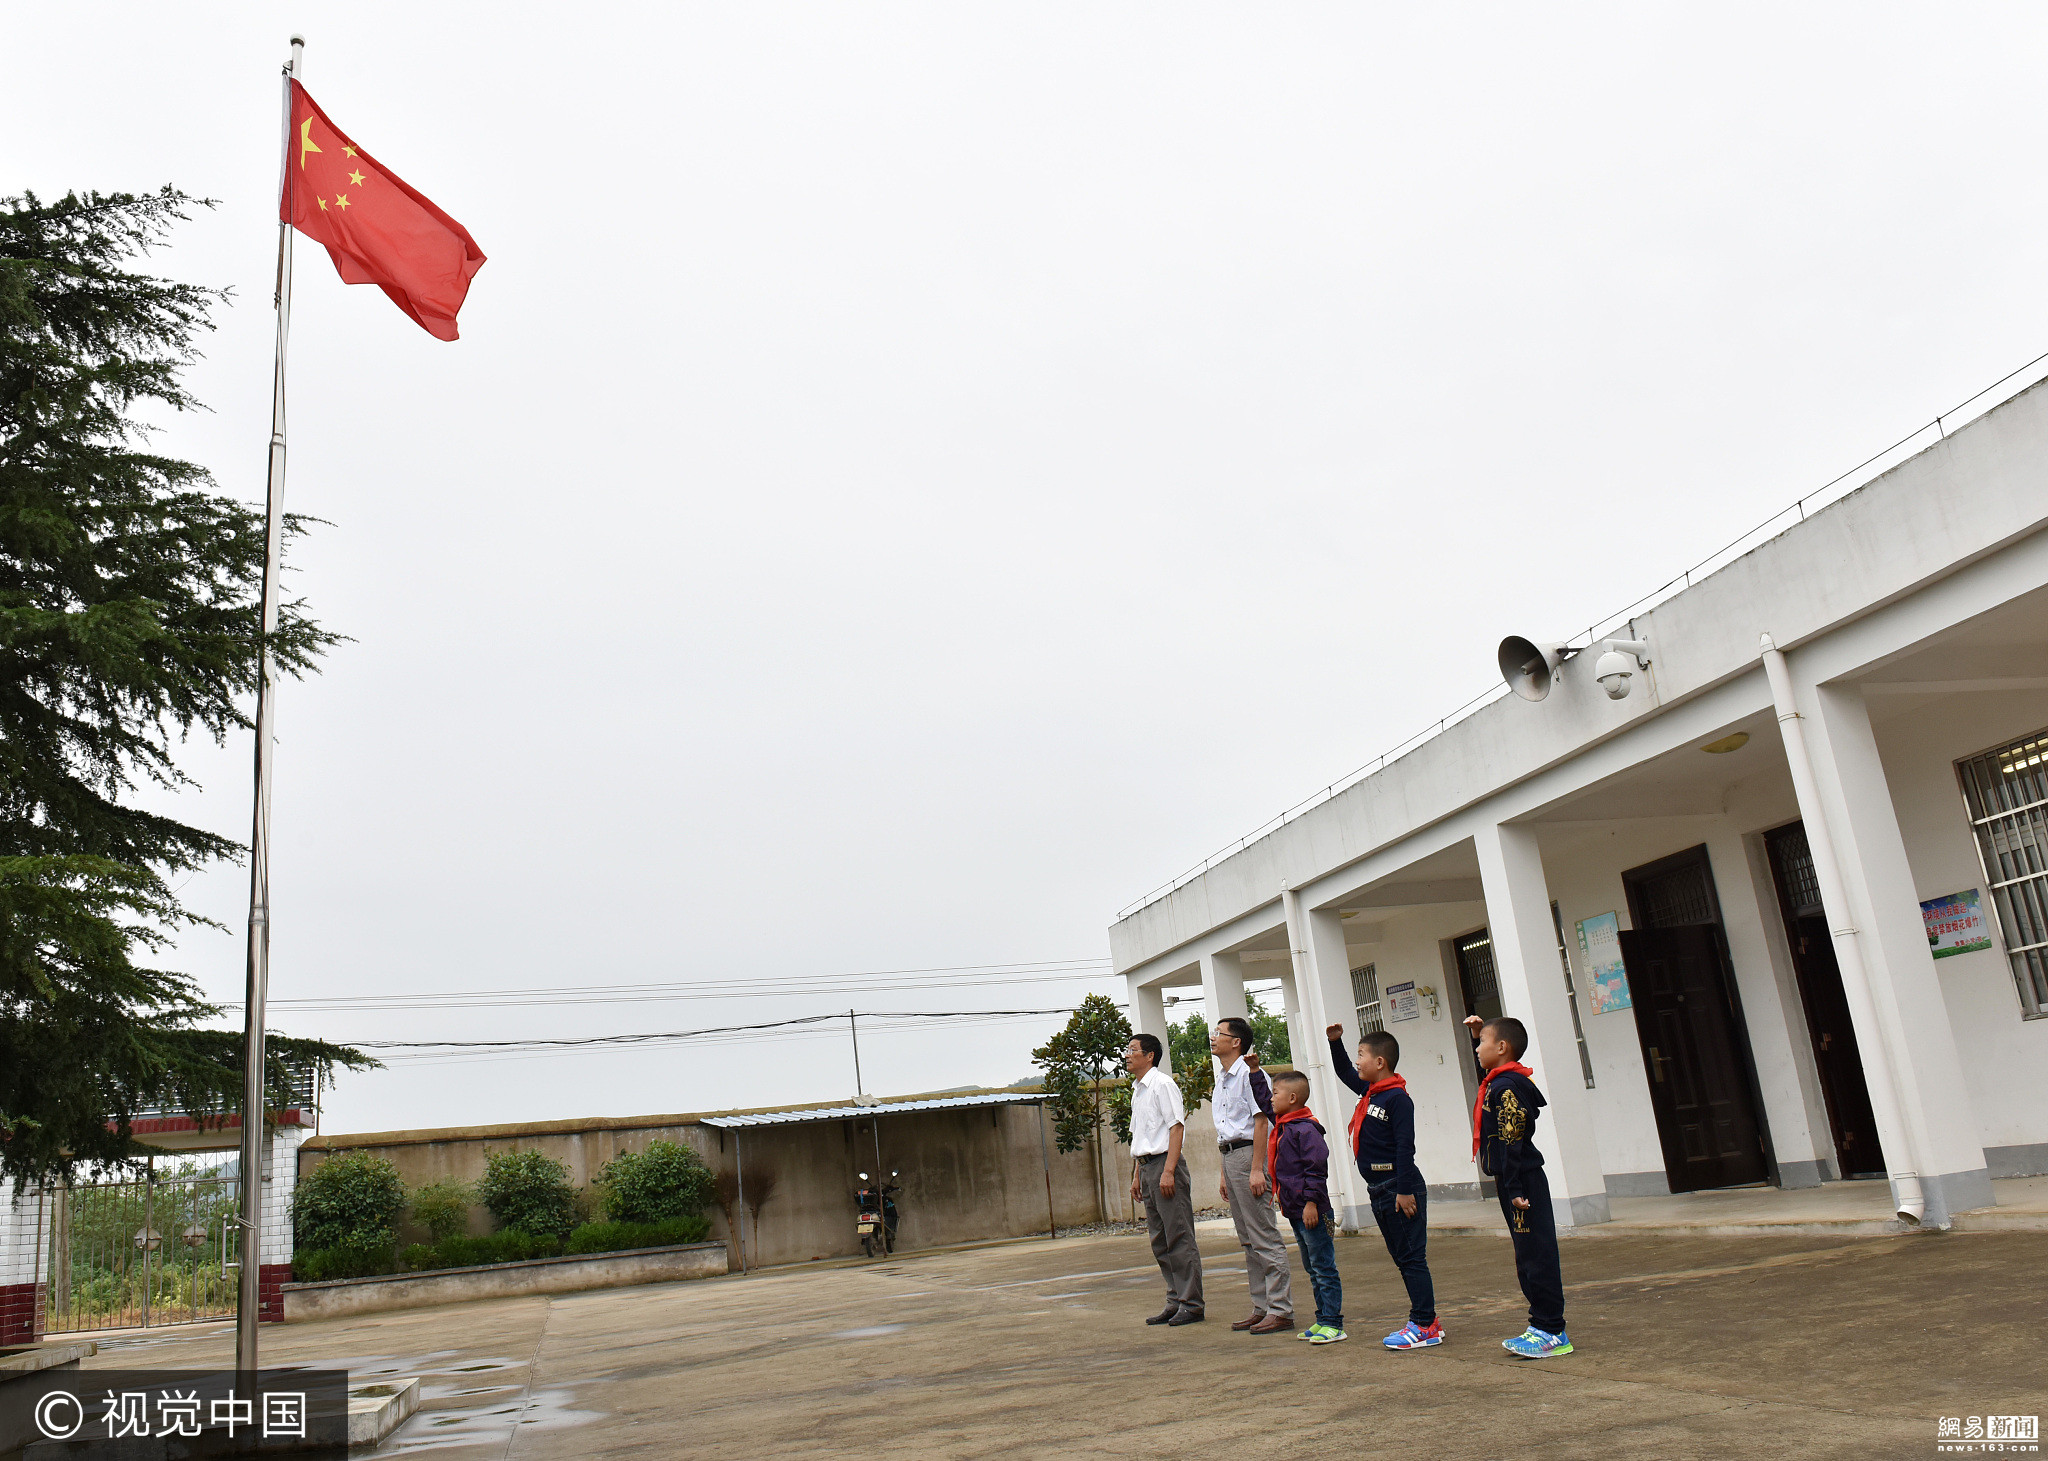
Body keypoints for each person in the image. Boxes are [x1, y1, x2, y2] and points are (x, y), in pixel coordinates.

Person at [1463, 1012, 1572, 1359]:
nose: (1478, 1049)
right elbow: (1492, 1074)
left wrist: (1512, 1189)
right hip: (1513, 1180)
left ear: (1503, 1047)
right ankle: (1539, 1324)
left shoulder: (1507, 1086)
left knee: (1537, 1255)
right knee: (1526, 1256)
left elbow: (1512, 1141)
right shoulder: (1502, 1081)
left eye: (1482, 1043)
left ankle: (1552, 1330)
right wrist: (1480, 1034)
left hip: (1521, 1181)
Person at [1326, 1022, 1441, 1350]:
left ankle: (1424, 1324)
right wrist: (1337, 1042)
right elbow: (1344, 1072)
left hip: (1398, 1189)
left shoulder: (1397, 1099)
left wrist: (1404, 1190)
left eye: (1362, 1055)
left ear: (1381, 1063)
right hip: (1380, 1188)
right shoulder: (1370, 1092)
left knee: (1412, 1258)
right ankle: (1427, 1321)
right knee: (1404, 1258)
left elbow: (1406, 1146)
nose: (1358, 1061)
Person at [1210, 1015, 1294, 1335]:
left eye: (1220, 1034)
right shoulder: (1222, 1077)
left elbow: (1261, 1123)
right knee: (1247, 1238)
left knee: (1263, 1235)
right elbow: (1224, 1129)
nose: (1213, 1038)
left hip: (1249, 1157)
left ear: (1237, 1042)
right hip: (1231, 1157)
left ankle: (1281, 1309)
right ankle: (1262, 1307)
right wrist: (1223, 1173)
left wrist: (1258, 1168)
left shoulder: (1247, 1074)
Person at [1125, 1032, 1203, 1326]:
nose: (1128, 1055)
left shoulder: (1162, 1084)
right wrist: (1136, 1175)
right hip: (1147, 1168)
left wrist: (1169, 1170)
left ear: (1150, 1056)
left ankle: (1192, 1303)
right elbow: (1140, 1136)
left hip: (1164, 1166)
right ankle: (1174, 1299)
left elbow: (1176, 1128)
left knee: (1179, 1236)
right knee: (1159, 1239)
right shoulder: (1138, 1090)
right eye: (1127, 1049)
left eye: (1133, 1050)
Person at [1266, 1070, 1345, 1345]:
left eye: (1275, 1093)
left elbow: (1316, 1169)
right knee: (1312, 1267)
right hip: (1295, 1210)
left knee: (1324, 1266)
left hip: (1313, 1210)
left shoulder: (1305, 1129)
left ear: (1292, 1097)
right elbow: (1263, 1104)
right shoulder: (1284, 1125)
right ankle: (1322, 1319)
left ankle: (1334, 1323)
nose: (1270, 1099)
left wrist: (1311, 1202)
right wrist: (1254, 1073)